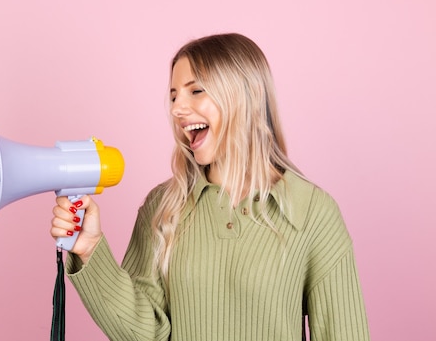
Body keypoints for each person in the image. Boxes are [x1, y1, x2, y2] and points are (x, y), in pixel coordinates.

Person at [50, 33, 370, 341]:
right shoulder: (163, 207)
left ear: (245, 97)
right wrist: (90, 249)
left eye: (196, 90)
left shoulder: (312, 211)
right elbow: (146, 334)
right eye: (174, 95)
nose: (176, 109)